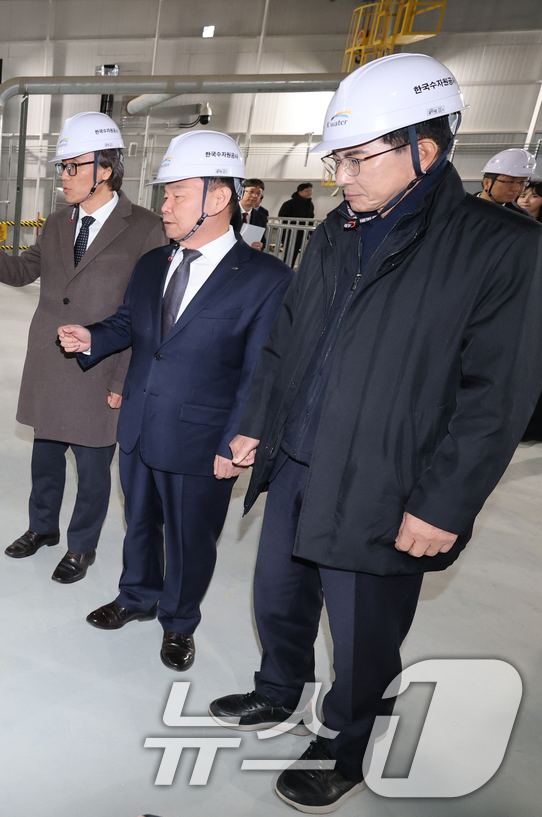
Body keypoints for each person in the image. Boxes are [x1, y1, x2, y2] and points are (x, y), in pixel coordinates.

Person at [207, 53, 542, 813]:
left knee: (363, 633)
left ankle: (348, 745)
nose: (343, 177)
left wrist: (443, 504)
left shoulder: (500, 246)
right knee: (279, 597)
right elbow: (287, 344)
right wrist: (256, 425)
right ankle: (278, 689)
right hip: (298, 462)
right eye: (338, 160)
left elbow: (497, 397)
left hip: (388, 482)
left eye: (358, 159)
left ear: (426, 148)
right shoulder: (335, 233)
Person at [56, 130, 292, 671]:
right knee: (140, 521)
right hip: (140, 422)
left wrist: (239, 438)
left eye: (177, 195)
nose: (165, 206)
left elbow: (263, 368)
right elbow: (129, 325)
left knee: (190, 538)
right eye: (166, 195)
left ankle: (180, 621)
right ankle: (137, 595)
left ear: (218, 198)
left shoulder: (267, 279)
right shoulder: (152, 264)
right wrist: (92, 337)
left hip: (204, 437)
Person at [0, 112, 164, 584]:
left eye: (72, 166)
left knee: (93, 468)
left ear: (105, 169)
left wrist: (123, 379)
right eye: (61, 167)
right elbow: (23, 271)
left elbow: (145, 314)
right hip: (51, 361)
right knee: (44, 459)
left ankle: (81, 547)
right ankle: (42, 528)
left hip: (100, 366)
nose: (63, 176)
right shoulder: (59, 222)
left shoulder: (144, 228)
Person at [476, 148, 535, 214]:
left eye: (522, 182)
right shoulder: (466, 207)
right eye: (510, 182)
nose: (516, 189)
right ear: (487, 183)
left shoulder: (522, 216)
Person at [277, 183, 315, 265]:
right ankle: (285, 268)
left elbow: (311, 219)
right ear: (300, 192)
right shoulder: (289, 204)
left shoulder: (310, 205)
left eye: (310, 190)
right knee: (288, 252)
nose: (309, 192)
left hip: (301, 233)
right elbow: (282, 217)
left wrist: (311, 233)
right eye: (306, 191)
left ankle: (290, 268)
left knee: (295, 252)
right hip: (289, 233)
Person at [236, 178, 270, 250]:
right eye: (251, 192)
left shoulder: (261, 217)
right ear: (242, 191)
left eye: (258, 194)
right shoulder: (228, 212)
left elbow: (262, 240)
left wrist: (259, 246)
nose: (254, 196)